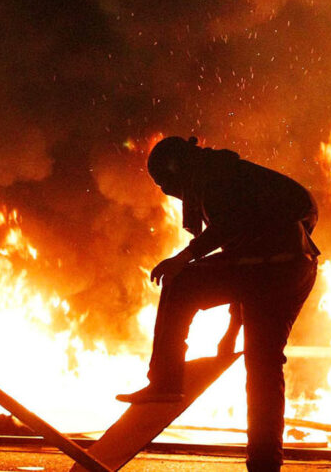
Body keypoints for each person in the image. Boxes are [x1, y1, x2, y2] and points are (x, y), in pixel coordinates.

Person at [119, 136, 320, 472]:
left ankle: (165, 382)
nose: (166, 192)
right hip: (294, 267)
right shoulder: (232, 175)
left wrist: (182, 258)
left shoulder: (214, 177)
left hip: (271, 265)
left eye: (164, 182)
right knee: (263, 366)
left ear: (177, 168)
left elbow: (230, 233)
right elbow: (241, 261)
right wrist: (232, 331)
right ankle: (265, 463)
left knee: (180, 281)